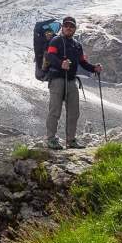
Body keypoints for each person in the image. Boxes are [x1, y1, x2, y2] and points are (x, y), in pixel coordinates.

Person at [44, 16, 102, 149]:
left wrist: (94, 68)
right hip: (57, 79)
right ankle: (50, 138)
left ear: (75, 29)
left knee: (74, 112)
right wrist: (61, 64)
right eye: (66, 26)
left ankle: (71, 140)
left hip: (71, 80)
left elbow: (82, 62)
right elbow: (50, 56)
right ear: (63, 28)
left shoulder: (77, 45)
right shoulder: (56, 40)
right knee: (55, 110)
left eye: (71, 26)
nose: (69, 28)